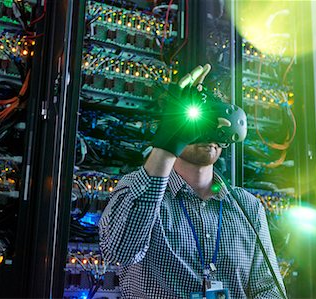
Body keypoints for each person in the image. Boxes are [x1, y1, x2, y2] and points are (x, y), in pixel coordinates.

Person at [98, 64, 286, 298]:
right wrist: (167, 145)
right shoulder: (136, 190)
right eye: (199, 122)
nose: (206, 133)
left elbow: (268, 288)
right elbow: (120, 252)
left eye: (213, 122)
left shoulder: (247, 207)